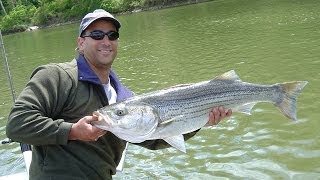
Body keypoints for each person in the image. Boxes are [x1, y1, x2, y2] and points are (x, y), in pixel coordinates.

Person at [6, 9, 232, 180]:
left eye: (112, 35)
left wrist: (198, 121)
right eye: (97, 34)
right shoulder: (56, 76)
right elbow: (17, 124)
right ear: (81, 43)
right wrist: (72, 131)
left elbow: (154, 140)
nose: (106, 41)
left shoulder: (125, 97)